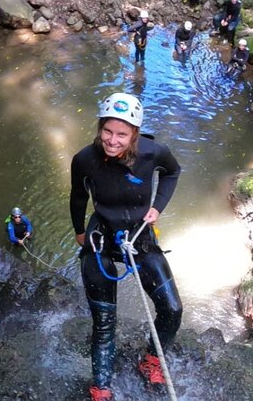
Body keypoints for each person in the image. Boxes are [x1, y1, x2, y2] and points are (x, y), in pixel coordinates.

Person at [70, 93, 183, 401]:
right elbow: (78, 196)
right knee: (105, 322)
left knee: (172, 309)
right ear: (99, 128)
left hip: (139, 235)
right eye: (107, 131)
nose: (112, 140)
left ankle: (151, 361)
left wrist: (157, 207)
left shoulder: (154, 152)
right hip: (101, 236)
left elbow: (173, 172)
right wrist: (80, 231)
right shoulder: (84, 159)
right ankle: (101, 388)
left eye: (122, 134)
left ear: (134, 132)